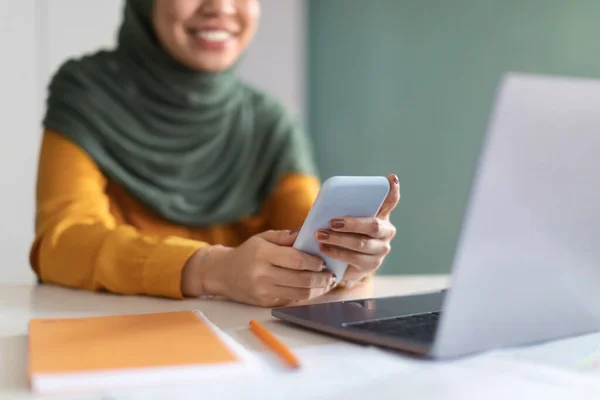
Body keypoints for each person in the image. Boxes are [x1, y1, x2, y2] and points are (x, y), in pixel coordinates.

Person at [30, 0, 400, 307]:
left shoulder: (268, 120)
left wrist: (346, 259)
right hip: (107, 340)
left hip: (246, 353)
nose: (220, 7)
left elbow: (307, 232)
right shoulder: (86, 92)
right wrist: (212, 269)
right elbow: (62, 243)